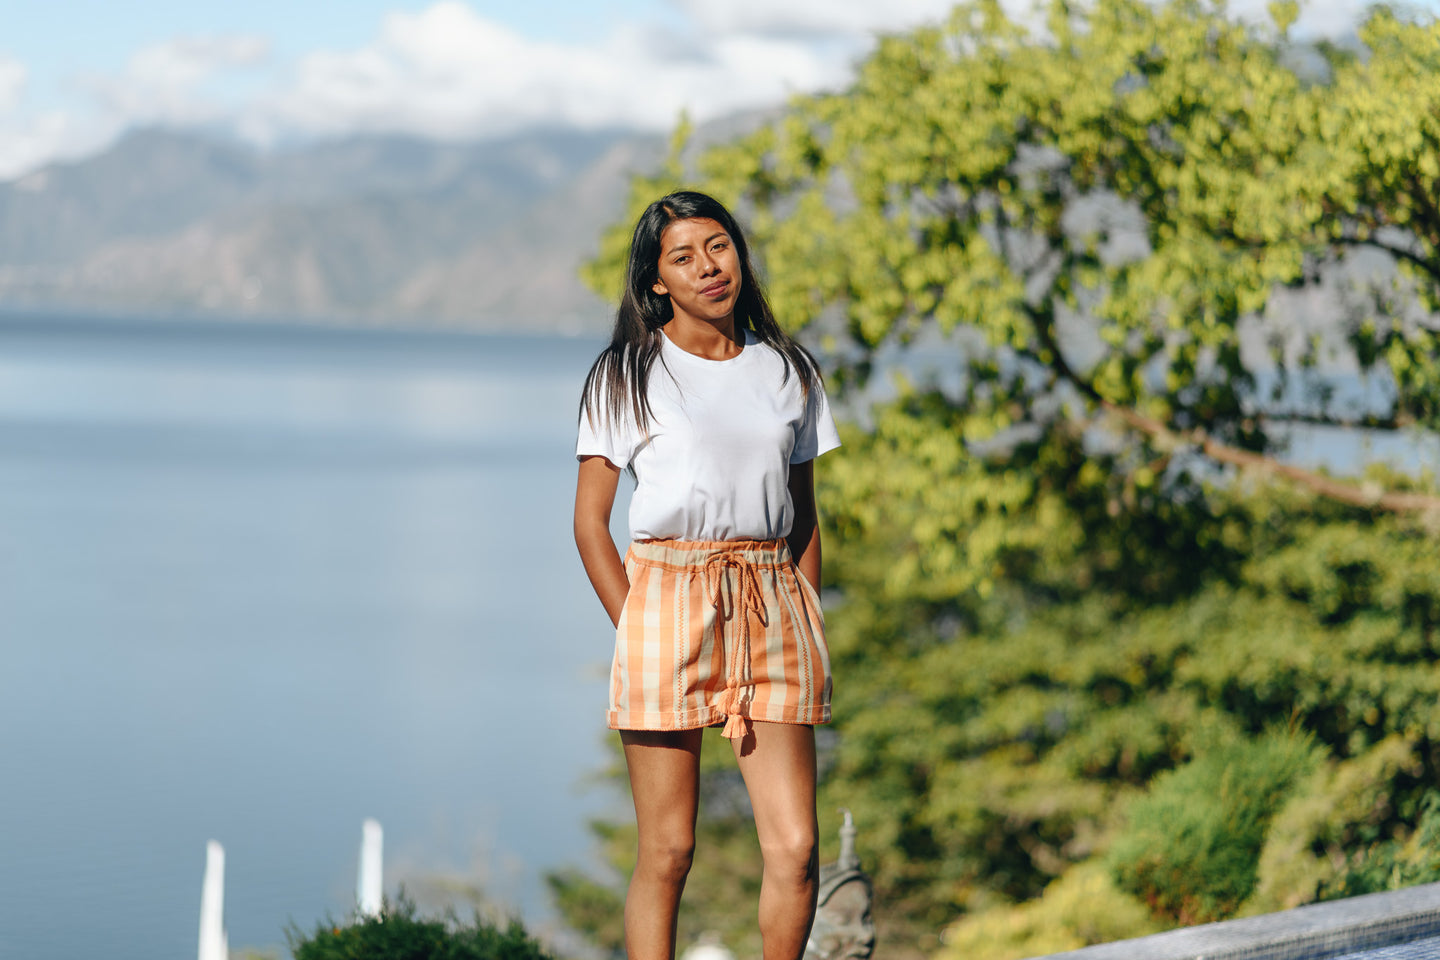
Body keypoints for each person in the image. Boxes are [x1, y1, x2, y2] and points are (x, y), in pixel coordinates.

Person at [573, 190, 841, 960]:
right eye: (682, 258)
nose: (707, 268)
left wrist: (806, 615)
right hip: (665, 596)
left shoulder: (787, 371)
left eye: (717, 246)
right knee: (669, 850)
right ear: (657, 281)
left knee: (795, 852)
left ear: (739, 253)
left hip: (773, 600)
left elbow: (802, 513)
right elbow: (590, 522)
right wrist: (638, 626)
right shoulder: (626, 372)